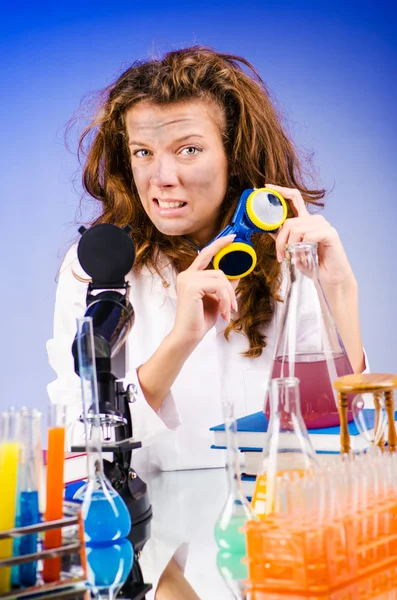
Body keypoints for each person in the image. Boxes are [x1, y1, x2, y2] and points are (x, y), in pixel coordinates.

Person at [47, 45, 367, 599]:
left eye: (188, 149)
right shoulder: (97, 268)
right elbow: (80, 449)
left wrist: (338, 289)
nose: (161, 178)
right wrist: (181, 339)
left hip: (279, 555)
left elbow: (347, 440)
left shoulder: (293, 258)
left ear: (233, 156)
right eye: (143, 152)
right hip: (148, 560)